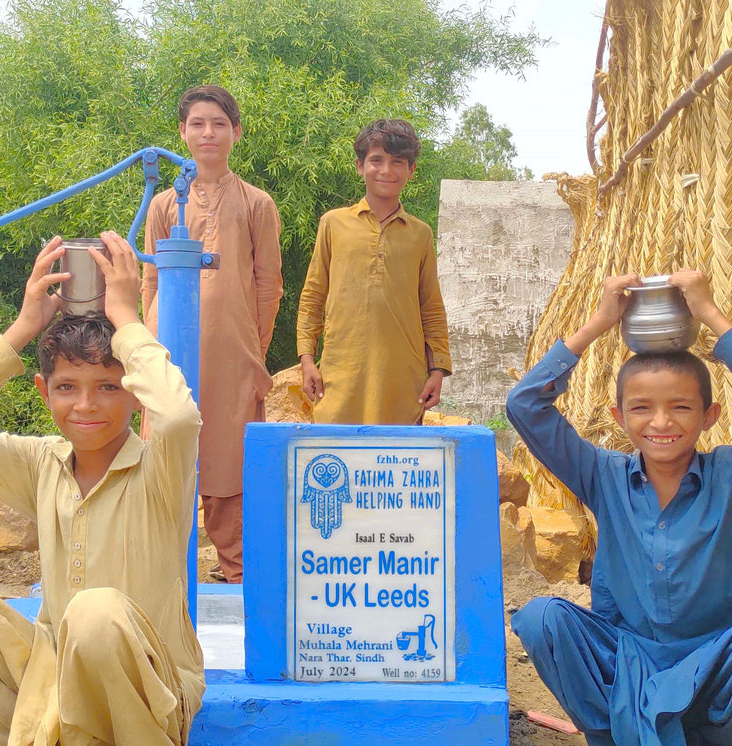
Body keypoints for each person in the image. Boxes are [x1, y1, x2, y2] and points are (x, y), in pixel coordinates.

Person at [0, 232, 205, 745]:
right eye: (68, 387)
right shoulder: (40, 464)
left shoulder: (160, 470)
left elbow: (176, 415)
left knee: (94, 614)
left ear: (133, 394)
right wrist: (22, 329)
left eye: (108, 387)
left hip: (150, 695)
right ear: (45, 392)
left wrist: (127, 319)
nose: (85, 406)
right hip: (52, 683)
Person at [506, 270, 732, 745]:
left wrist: (710, 314)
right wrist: (598, 323)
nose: (662, 422)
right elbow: (525, 405)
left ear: (710, 415)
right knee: (542, 619)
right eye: (642, 408)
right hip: (628, 661)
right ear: (619, 416)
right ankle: (610, 733)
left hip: (715, 665)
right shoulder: (603, 475)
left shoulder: (726, 475)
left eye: (682, 408)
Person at [141, 84, 282, 584]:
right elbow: (151, 279)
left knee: (229, 465)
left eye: (218, 123)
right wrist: (149, 351)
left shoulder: (257, 203)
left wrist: (252, 351)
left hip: (233, 356)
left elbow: (269, 284)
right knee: (166, 456)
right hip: (170, 352)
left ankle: (237, 574)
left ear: (235, 133)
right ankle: (162, 578)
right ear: (181, 132)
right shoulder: (161, 205)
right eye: (197, 124)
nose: (208, 133)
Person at [296, 118, 451, 425]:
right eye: (376, 160)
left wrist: (437, 370)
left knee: (394, 462)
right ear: (359, 166)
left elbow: (431, 306)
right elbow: (313, 296)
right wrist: (307, 359)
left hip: (402, 380)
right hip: (340, 374)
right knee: (337, 460)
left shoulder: (419, 234)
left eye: (397, 162)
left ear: (411, 170)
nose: (386, 171)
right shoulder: (333, 224)